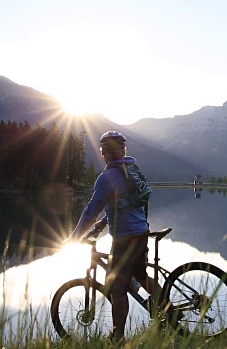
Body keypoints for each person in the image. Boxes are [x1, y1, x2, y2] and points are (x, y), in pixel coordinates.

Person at [64, 130, 150, 341]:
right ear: (122, 151)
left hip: (125, 238)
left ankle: (118, 337)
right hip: (141, 231)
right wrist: (104, 222)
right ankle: (169, 312)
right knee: (141, 277)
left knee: (116, 287)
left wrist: (74, 237)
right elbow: (123, 203)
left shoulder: (107, 177)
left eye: (104, 150)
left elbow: (91, 210)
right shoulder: (131, 170)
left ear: (103, 153)